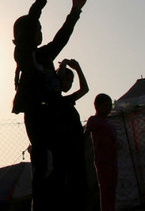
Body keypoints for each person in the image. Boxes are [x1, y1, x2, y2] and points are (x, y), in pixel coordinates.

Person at [11, 0, 89, 210]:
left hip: (55, 116)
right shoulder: (26, 56)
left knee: (64, 167)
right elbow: (32, 17)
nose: (41, 32)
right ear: (29, 34)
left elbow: (62, 37)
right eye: (39, 29)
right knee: (45, 168)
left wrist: (74, 12)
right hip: (38, 116)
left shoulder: (44, 56)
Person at [52, 59, 89, 211]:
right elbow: (56, 83)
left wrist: (78, 68)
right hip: (65, 153)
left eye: (72, 80)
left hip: (77, 151)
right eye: (68, 79)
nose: (70, 83)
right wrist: (63, 67)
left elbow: (85, 89)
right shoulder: (54, 100)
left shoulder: (67, 100)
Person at [85, 94, 117, 211]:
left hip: (112, 159)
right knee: (105, 191)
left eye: (110, 105)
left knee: (111, 191)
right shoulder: (94, 120)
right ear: (97, 106)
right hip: (102, 160)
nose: (109, 108)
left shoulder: (107, 122)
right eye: (106, 105)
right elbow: (85, 136)